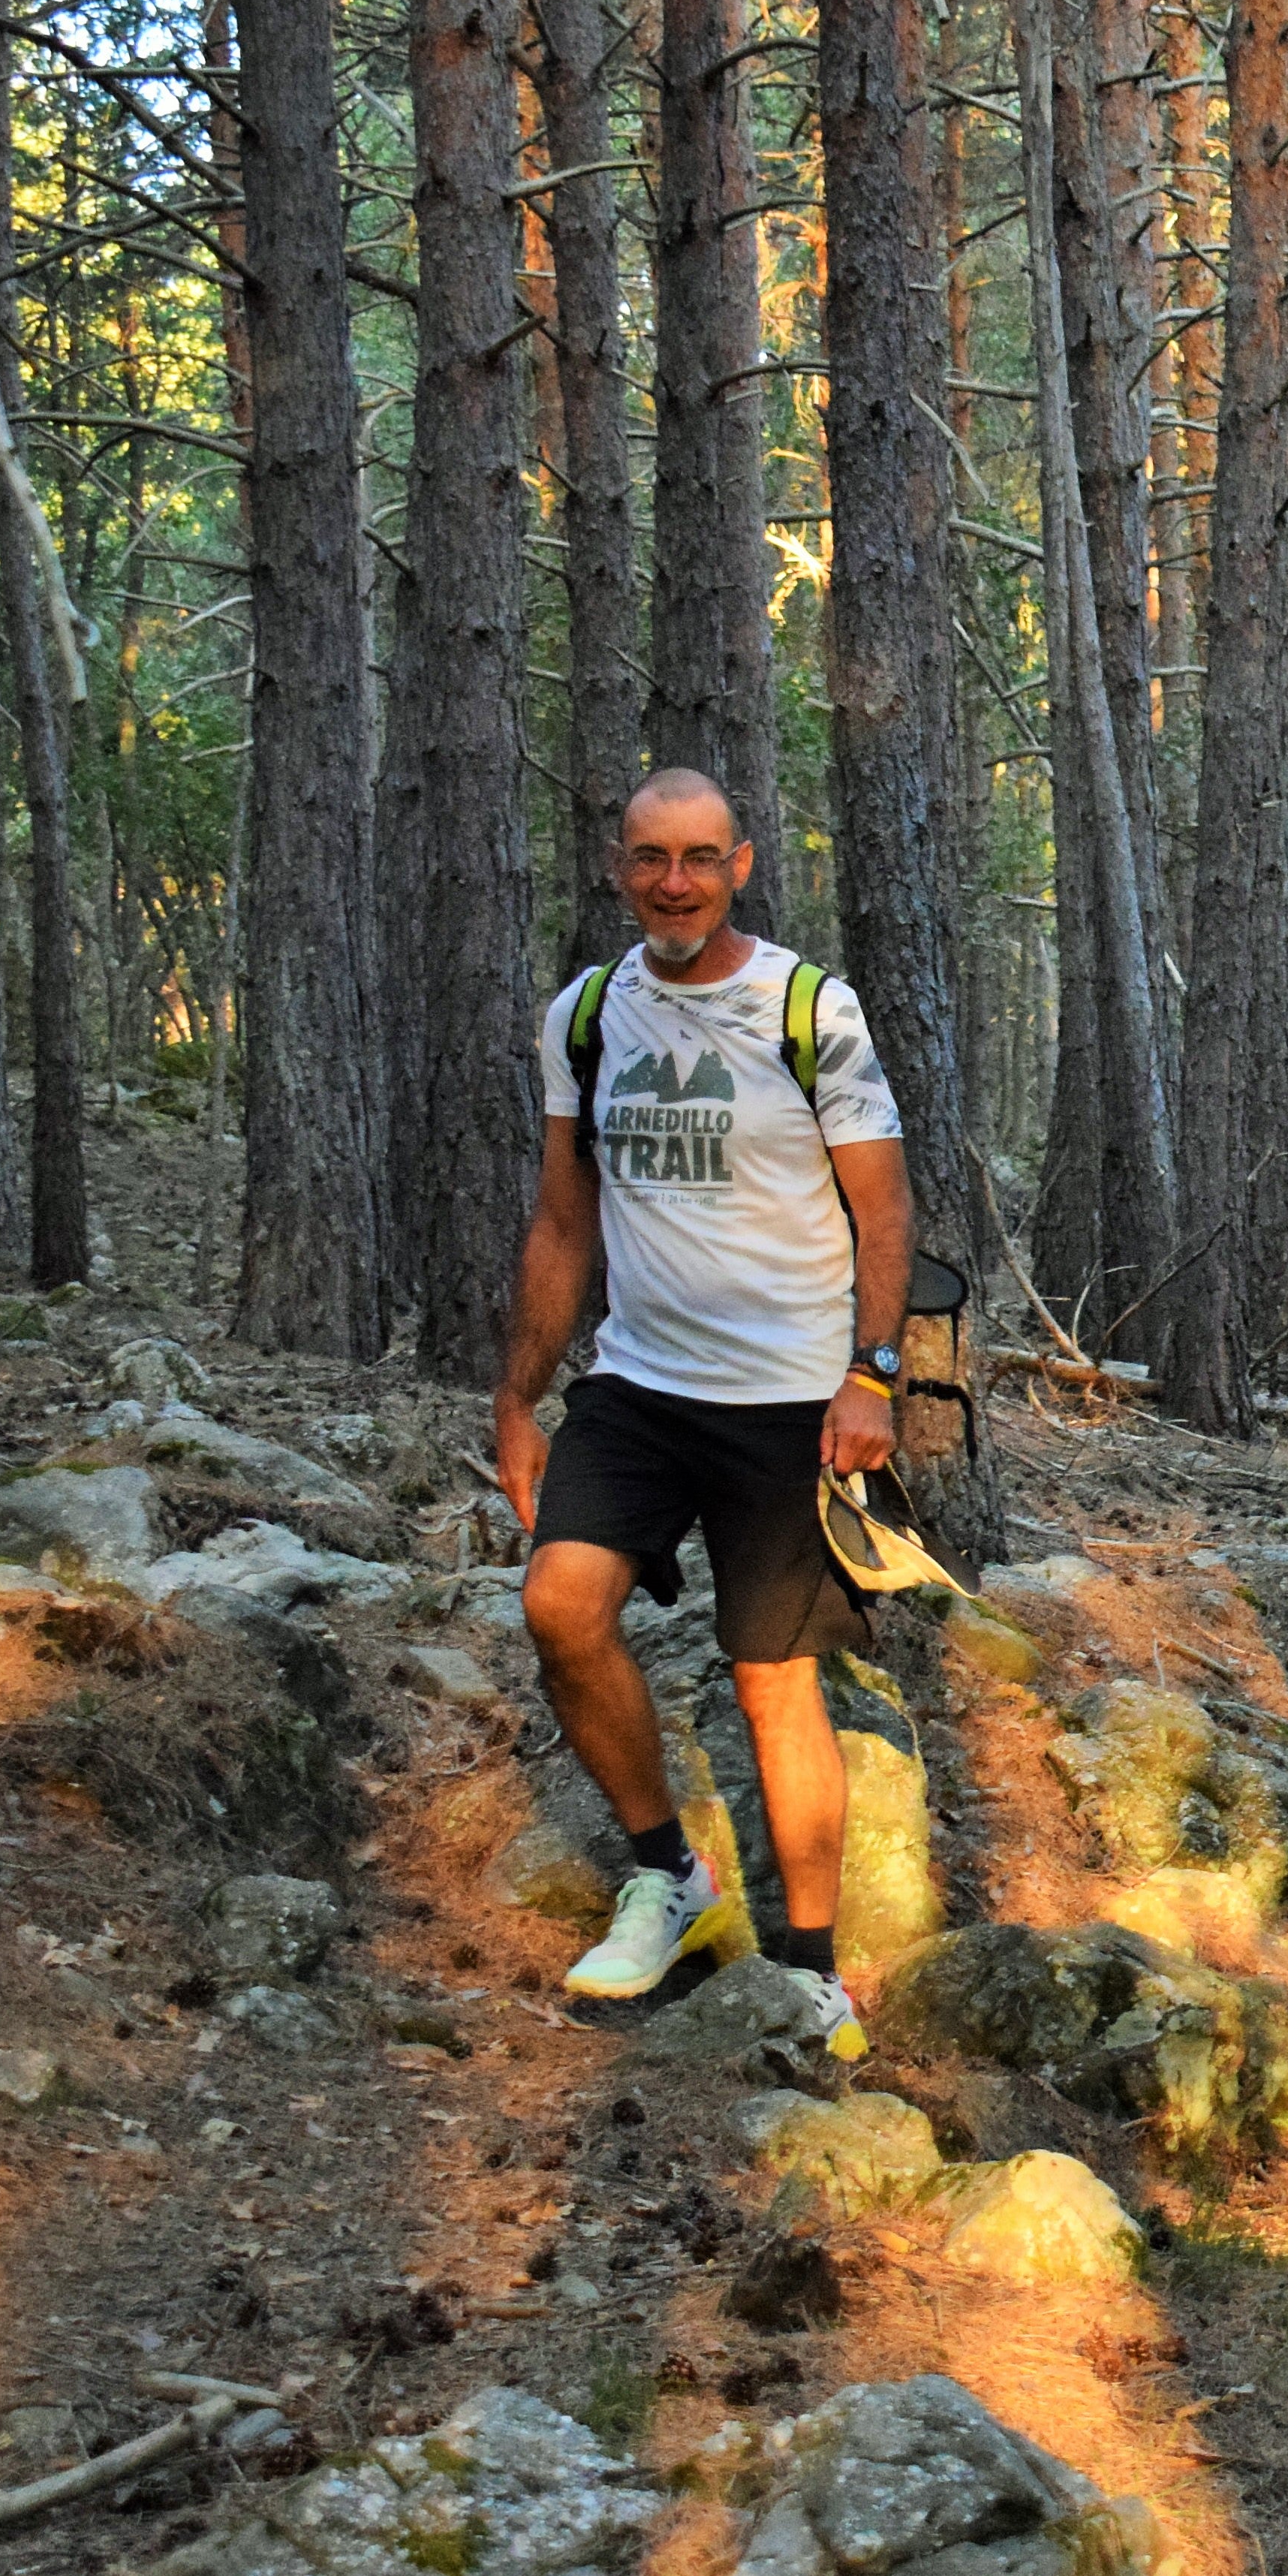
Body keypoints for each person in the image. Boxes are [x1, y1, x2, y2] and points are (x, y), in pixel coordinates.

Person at [494, 767, 914, 2062]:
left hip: (789, 1399)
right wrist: (518, 1396)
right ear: (618, 867)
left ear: (740, 864)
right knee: (561, 1608)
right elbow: (566, 1222)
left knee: (771, 1681)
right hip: (637, 1386)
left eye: (697, 857)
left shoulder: (805, 1007)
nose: (672, 880)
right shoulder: (583, 1017)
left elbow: (885, 1209)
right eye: (647, 858)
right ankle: (668, 1874)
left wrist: (873, 1374)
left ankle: (809, 1969)